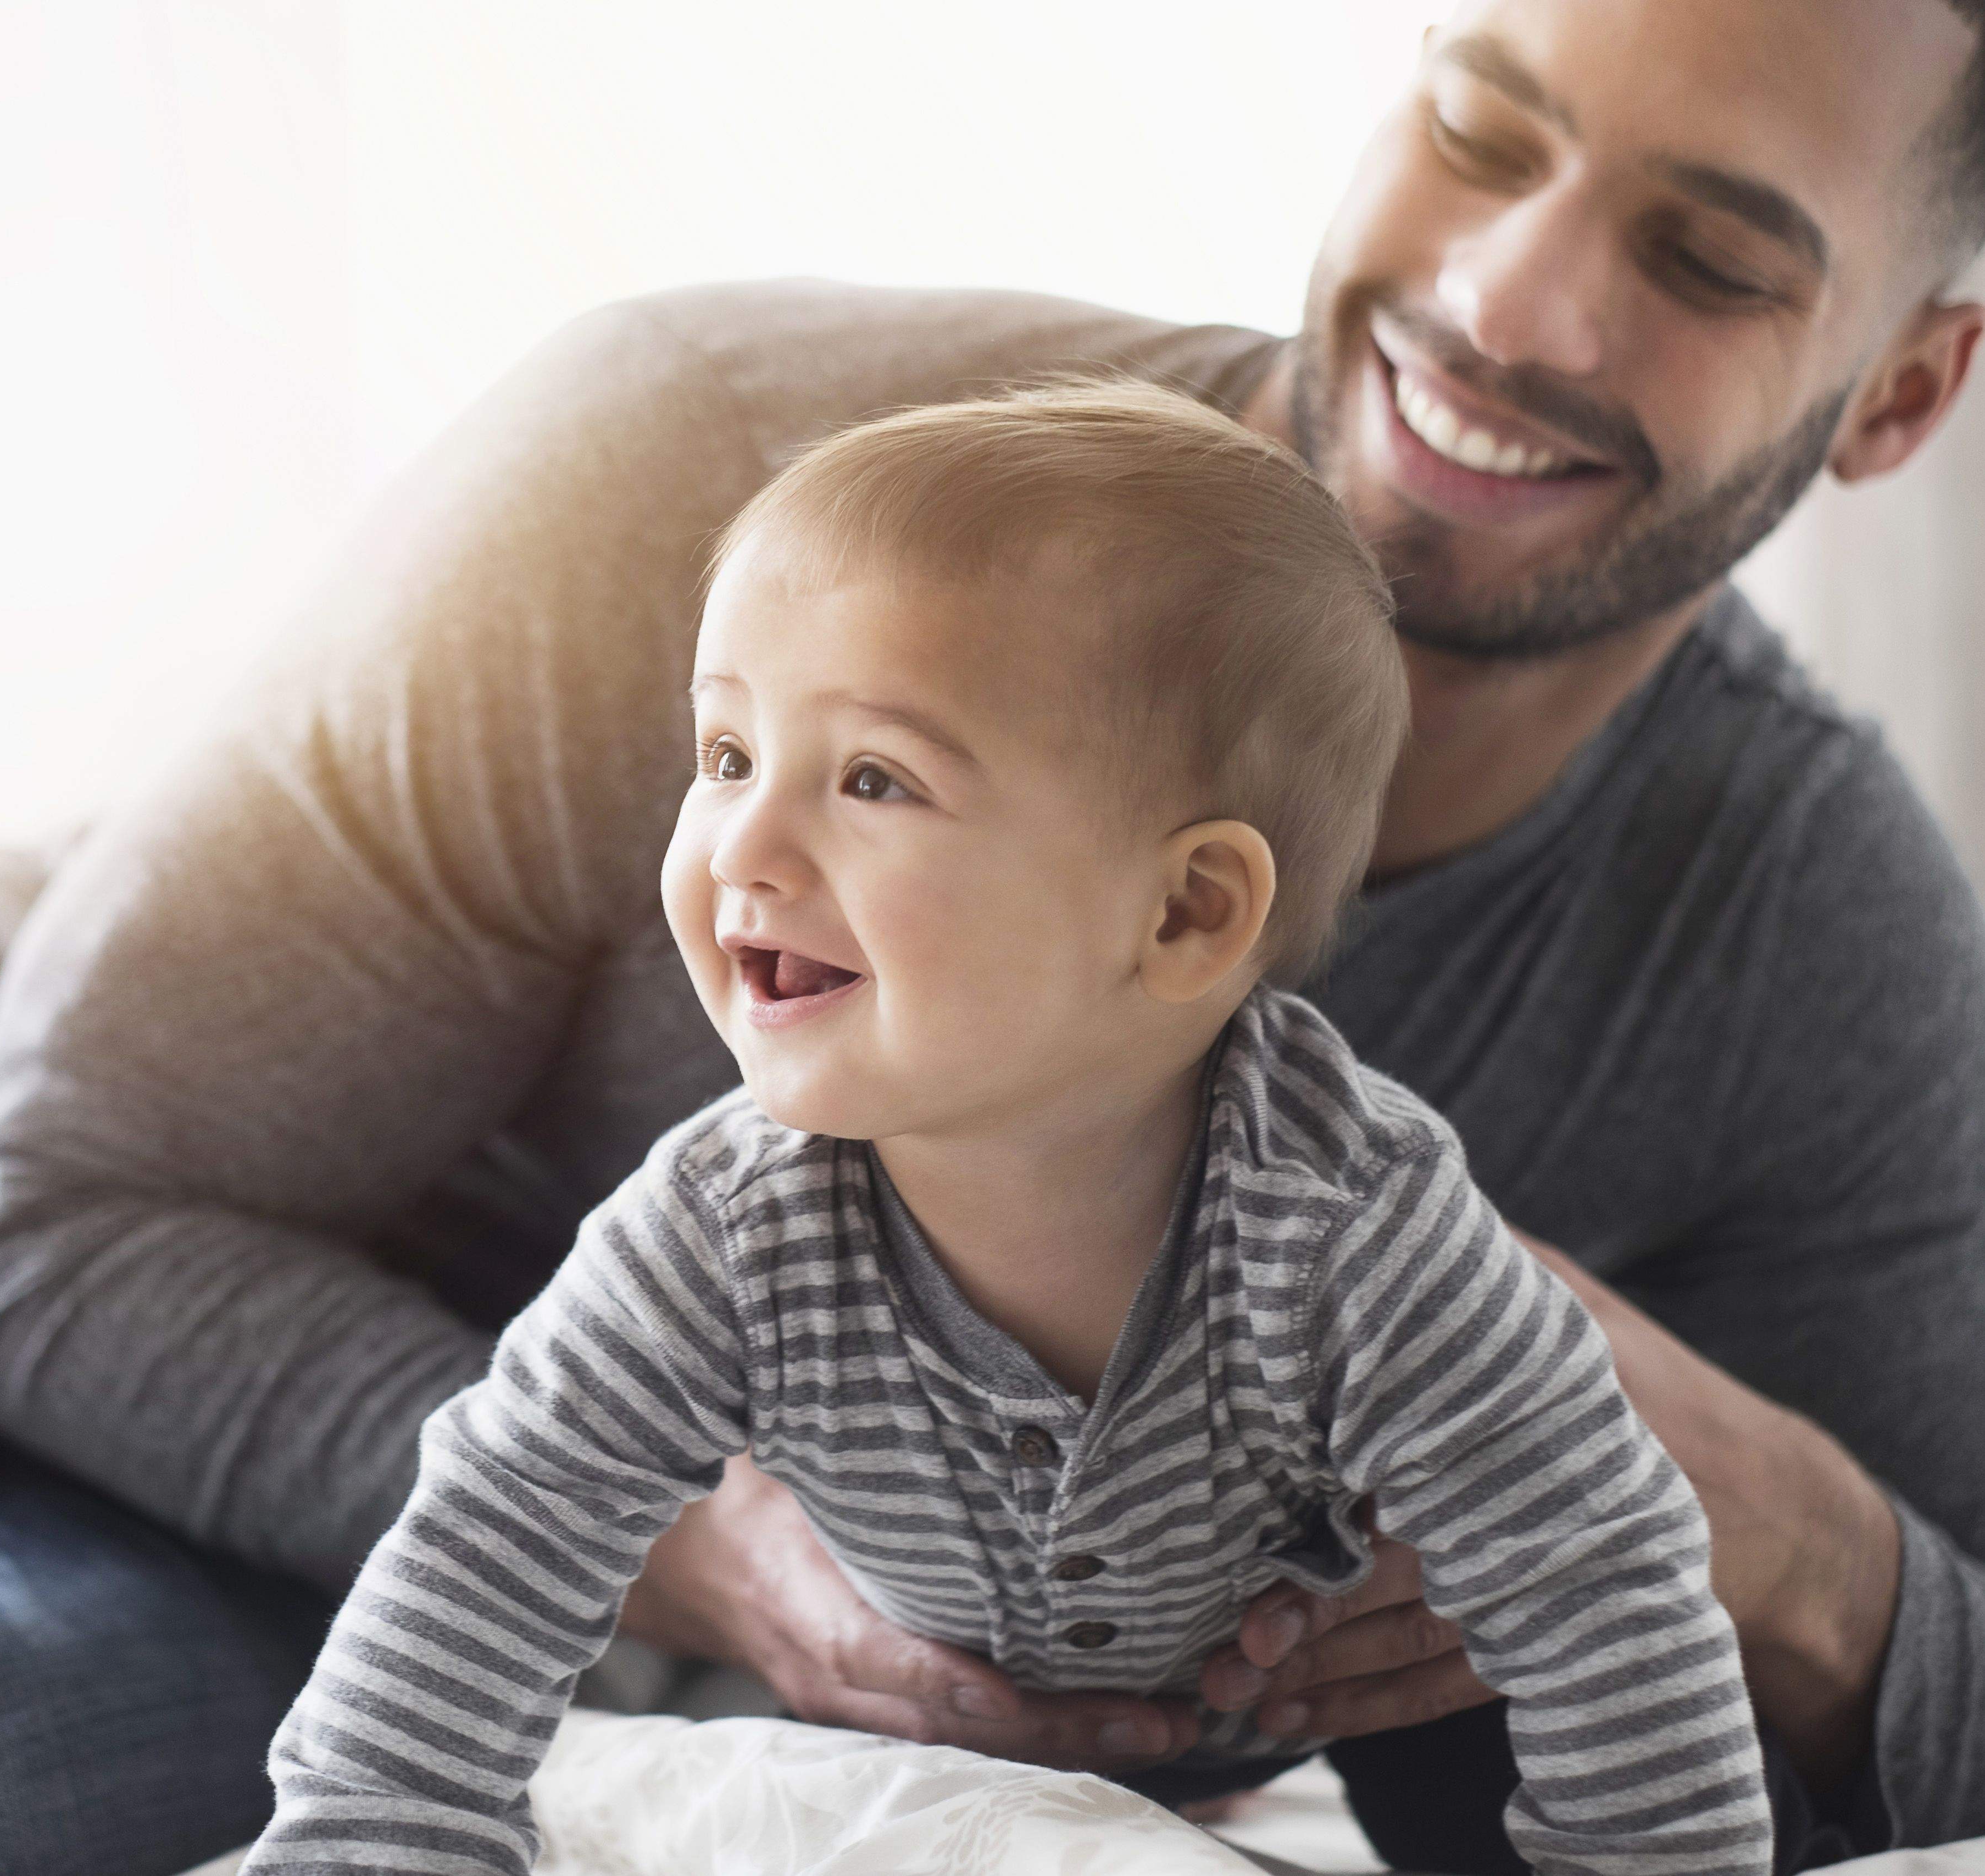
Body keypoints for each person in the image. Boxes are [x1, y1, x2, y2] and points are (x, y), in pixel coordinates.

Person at [0, 1, 1982, 1872]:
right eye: (1483, 124)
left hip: (457, 1503)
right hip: (28, 1107)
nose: (1505, 299)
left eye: (1715, 256)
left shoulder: (1806, 943)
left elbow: (1938, 1674)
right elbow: (61, 1201)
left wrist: (1821, 1554)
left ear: (1899, 389)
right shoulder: (732, 465)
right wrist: (734, 1549)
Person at [251, 383, 1773, 1876]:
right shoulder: (724, 1224)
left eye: (871, 779)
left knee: (1492, 1738)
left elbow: (1598, 1572)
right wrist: (366, 1842)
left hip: (1293, 1701)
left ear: (1182, 912)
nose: (745, 847)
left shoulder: (1349, 1230)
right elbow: (499, 1526)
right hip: (908, 1710)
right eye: (723, 757)